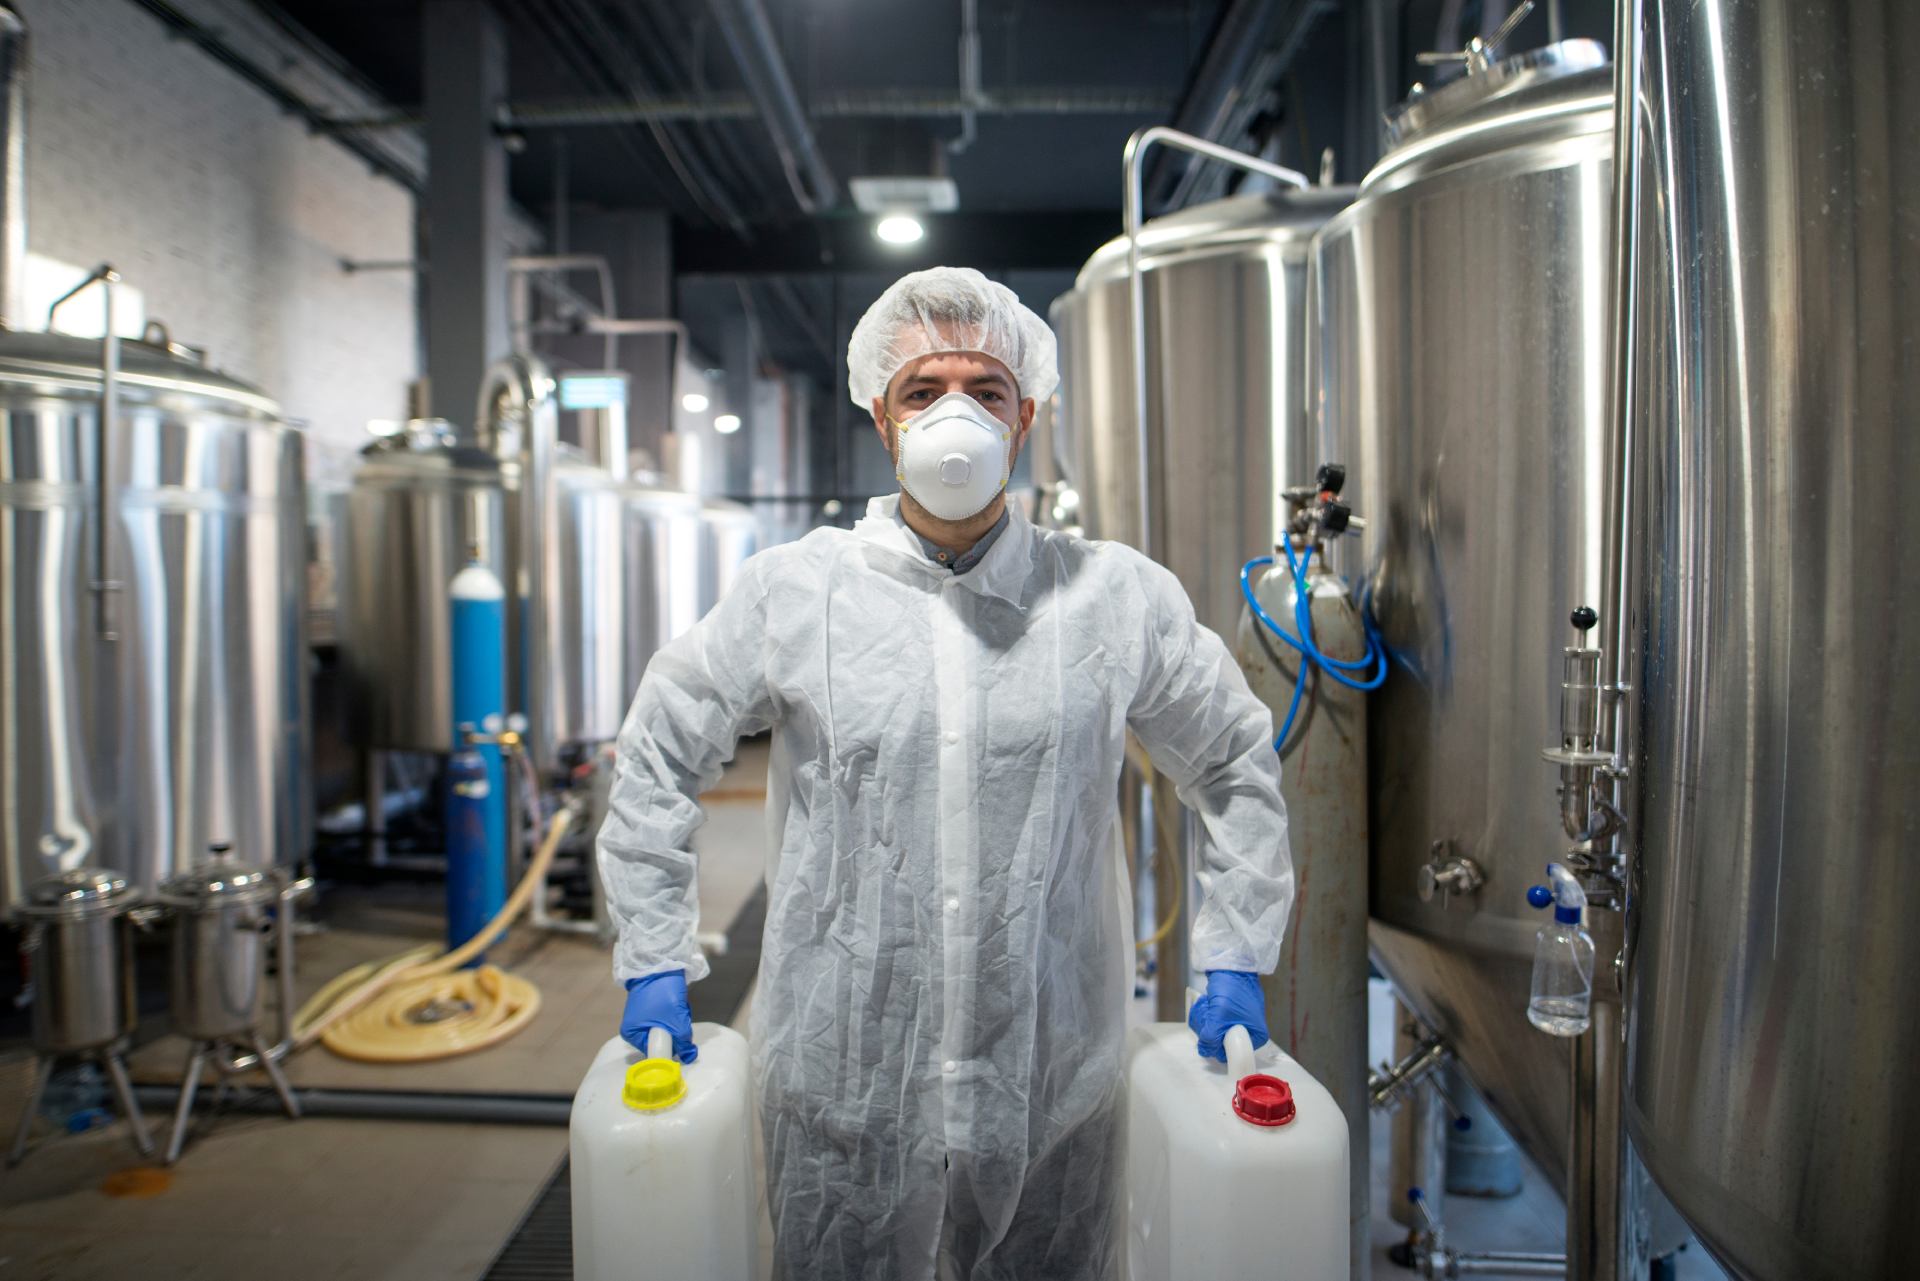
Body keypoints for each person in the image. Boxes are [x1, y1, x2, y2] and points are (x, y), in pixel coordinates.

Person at [598, 266, 1294, 1280]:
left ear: (1028, 417)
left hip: (1052, 1088)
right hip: (846, 1092)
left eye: (987, 390)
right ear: (881, 414)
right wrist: (654, 950)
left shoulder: (1111, 598)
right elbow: (660, 747)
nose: (955, 415)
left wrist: (1231, 954)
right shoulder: (798, 594)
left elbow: (1231, 757)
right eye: (925, 391)